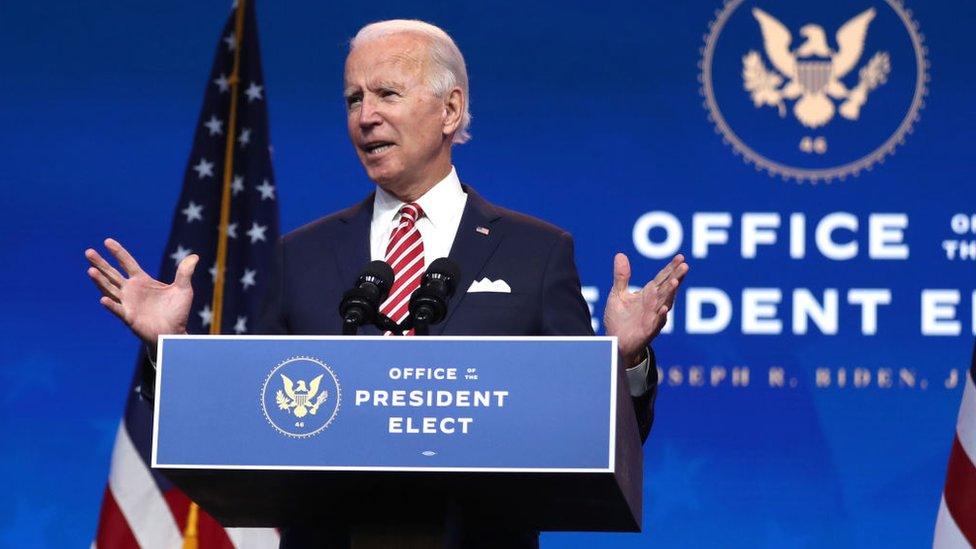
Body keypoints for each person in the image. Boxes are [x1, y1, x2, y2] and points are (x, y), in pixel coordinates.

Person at [85, 19, 688, 549]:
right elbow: (251, 416)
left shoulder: (536, 252)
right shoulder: (303, 254)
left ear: (450, 110)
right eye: (353, 98)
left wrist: (625, 360)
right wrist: (169, 351)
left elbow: (589, 430)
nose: (364, 116)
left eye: (387, 94)